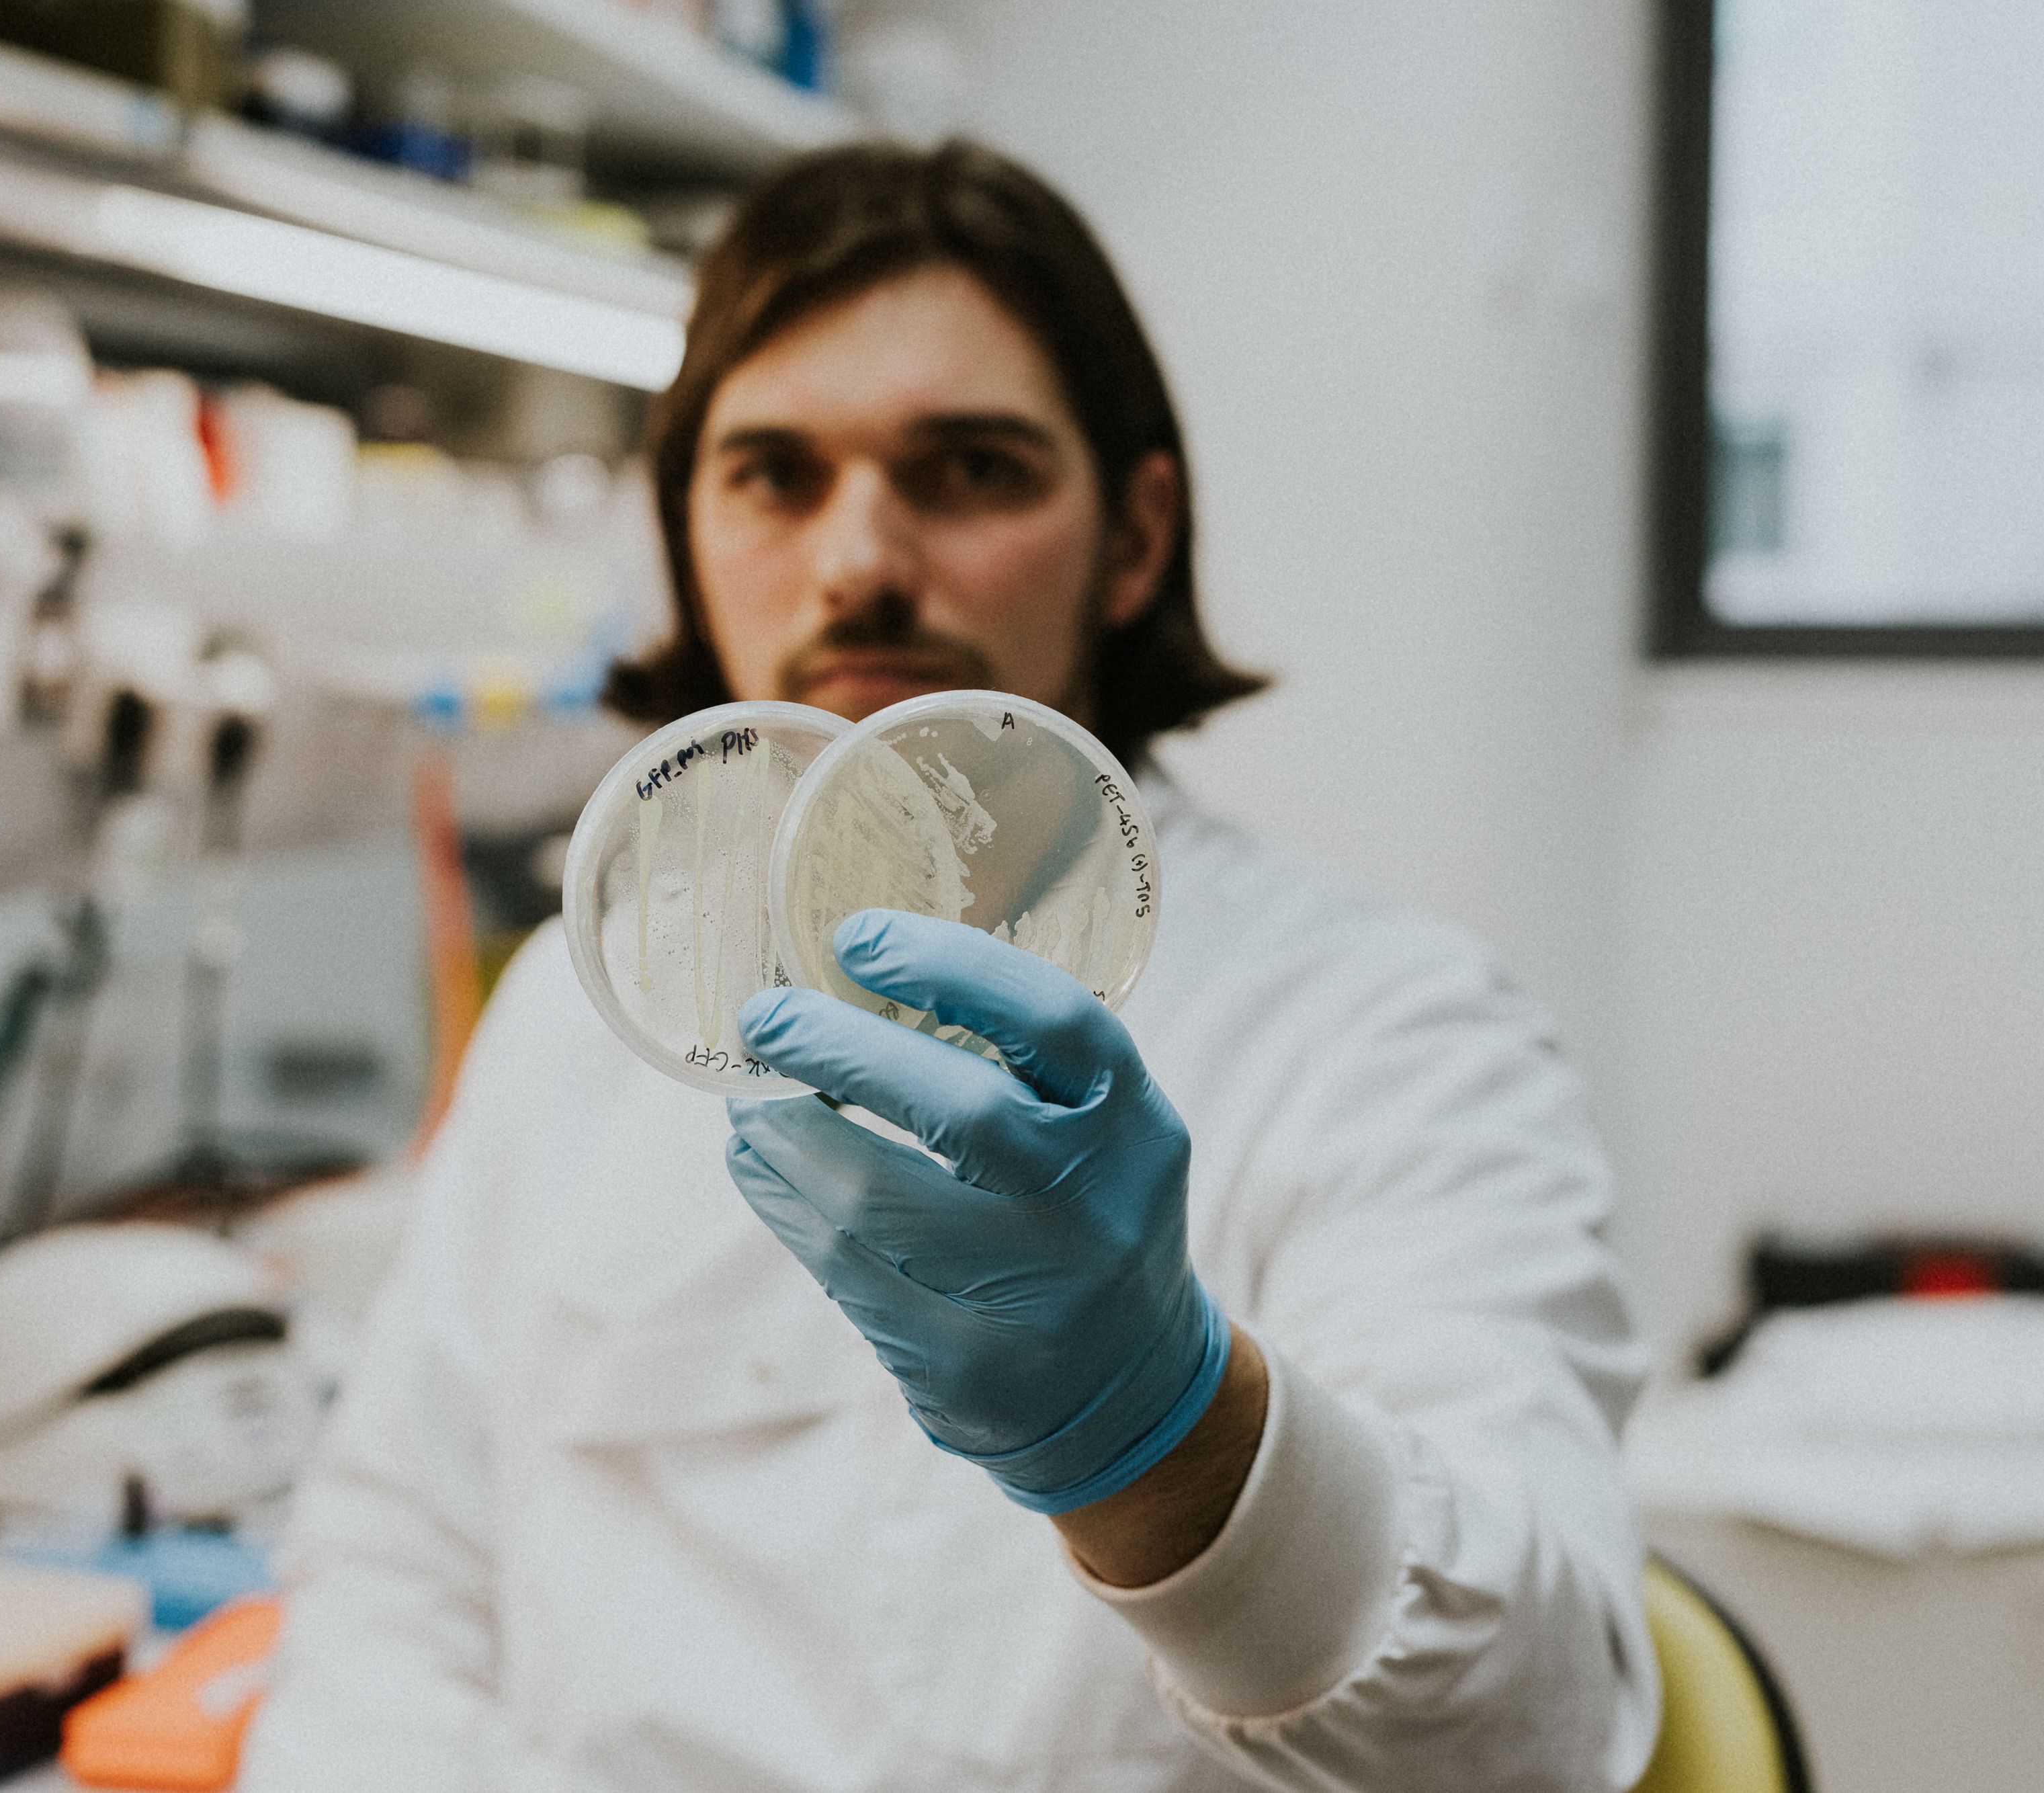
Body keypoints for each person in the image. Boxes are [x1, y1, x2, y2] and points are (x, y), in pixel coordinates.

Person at [242, 140, 1659, 1792]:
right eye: (773, 474)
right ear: (684, 531)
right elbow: (392, 1578)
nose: (858, 559)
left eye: (969, 468)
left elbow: (1535, 1727)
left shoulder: (1390, 1031)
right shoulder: (581, 1000)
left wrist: (1168, 1438)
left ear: (1133, 539)